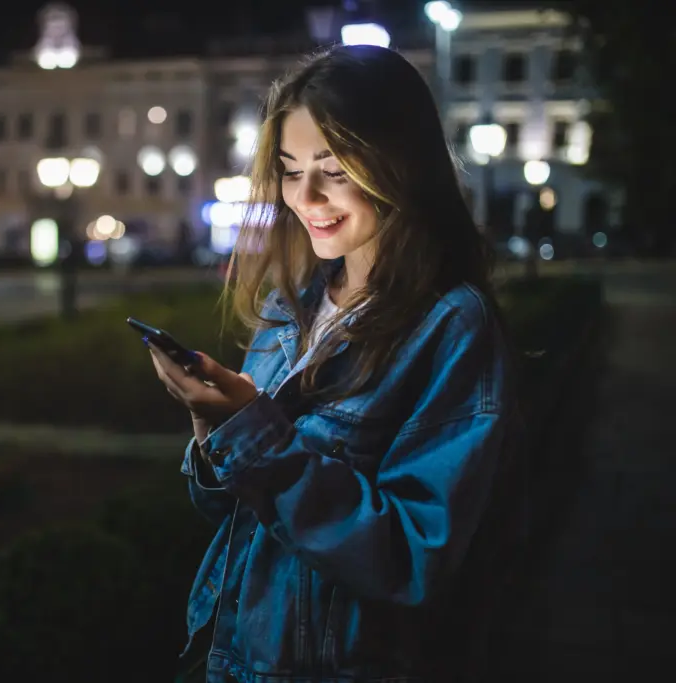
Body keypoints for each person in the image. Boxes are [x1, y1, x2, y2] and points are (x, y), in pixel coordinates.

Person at [147, 45, 526, 683]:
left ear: (398, 163)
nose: (307, 195)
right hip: (229, 656)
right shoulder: (287, 305)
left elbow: (413, 555)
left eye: (334, 168)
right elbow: (230, 512)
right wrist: (214, 425)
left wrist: (258, 439)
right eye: (290, 171)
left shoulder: (449, 325)